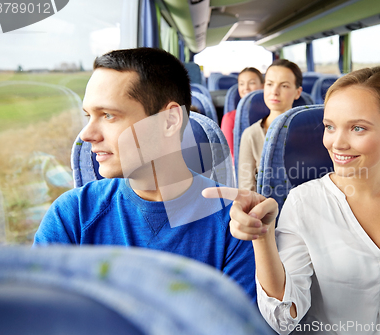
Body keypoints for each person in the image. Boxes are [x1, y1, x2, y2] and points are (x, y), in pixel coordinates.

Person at [203, 67, 380, 334]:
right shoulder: (303, 203)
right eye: (330, 126)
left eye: (358, 128)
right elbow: (283, 319)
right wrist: (263, 239)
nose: (337, 143)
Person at [33, 48, 256, 301]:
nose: (86, 134)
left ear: (170, 120)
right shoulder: (71, 217)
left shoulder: (235, 223)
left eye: (108, 115)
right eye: (88, 116)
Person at [237, 60, 302, 191]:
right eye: (270, 84)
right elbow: (247, 190)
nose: (274, 92)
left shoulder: (310, 132)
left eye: (284, 86)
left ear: (297, 93)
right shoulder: (251, 135)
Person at [220, 67, 264, 158]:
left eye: (252, 83)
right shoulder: (230, 118)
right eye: (242, 84)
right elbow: (229, 156)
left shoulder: (272, 114)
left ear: (263, 86)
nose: (246, 88)